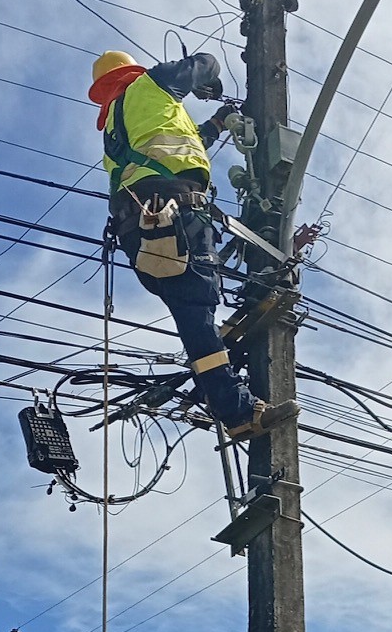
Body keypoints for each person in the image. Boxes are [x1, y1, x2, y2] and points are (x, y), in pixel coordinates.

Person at [88, 49, 296, 439]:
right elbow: (207, 63)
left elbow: (185, 144)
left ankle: (222, 396)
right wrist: (207, 82)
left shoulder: (115, 126)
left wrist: (218, 122)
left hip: (140, 229)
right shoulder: (150, 84)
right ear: (131, 73)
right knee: (198, 310)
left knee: (193, 314)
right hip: (175, 215)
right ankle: (235, 409)